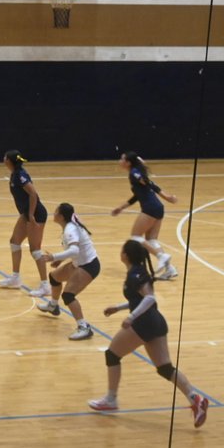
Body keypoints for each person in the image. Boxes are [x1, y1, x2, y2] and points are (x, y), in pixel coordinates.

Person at [87, 238, 210, 428]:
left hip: (144, 323)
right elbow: (140, 299)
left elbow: (150, 299)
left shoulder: (135, 274)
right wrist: (119, 308)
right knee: (165, 368)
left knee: (112, 354)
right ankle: (196, 399)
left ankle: (111, 400)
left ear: (125, 255)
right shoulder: (138, 272)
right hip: (156, 322)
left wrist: (131, 317)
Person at [111, 152, 179, 280]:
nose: (120, 161)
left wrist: (167, 196)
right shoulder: (134, 173)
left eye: (122, 159)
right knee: (152, 240)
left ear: (128, 163)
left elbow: (149, 183)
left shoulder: (134, 173)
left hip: (150, 208)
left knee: (136, 237)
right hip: (158, 207)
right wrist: (121, 207)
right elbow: (137, 196)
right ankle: (170, 269)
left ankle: (161, 257)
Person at [38, 203, 100, 340]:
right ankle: (53, 306)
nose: (53, 213)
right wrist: (60, 260)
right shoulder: (70, 223)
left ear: (60, 216)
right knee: (54, 277)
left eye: (55, 212)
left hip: (89, 266)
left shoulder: (70, 229)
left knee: (68, 295)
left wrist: (53, 257)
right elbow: (74, 249)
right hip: (79, 263)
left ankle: (84, 327)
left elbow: (74, 250)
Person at [0, 151, 50, 296]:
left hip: (36, 214)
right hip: (26, 214)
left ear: (9, 161)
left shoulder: (20, 175)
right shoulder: (15, 174)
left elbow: (33, 194)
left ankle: (46, 286)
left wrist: (31, 215)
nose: (3, 158)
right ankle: (15, 278)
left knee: (35, 250)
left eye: (5, 157)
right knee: (14, 242)